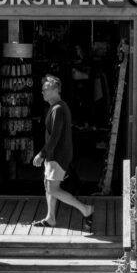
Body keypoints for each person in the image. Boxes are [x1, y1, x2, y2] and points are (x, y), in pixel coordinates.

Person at [32, 74, 94, 231]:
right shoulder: (55, 107)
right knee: (48, 185)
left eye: (45, 89)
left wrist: (42, 154)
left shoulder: (58, 109)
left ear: (54, 89)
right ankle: (50, 218)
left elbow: (55, 137)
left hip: (58, 156)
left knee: (53, 188)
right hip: (54, 155)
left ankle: (85, 209)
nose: (42, 92)